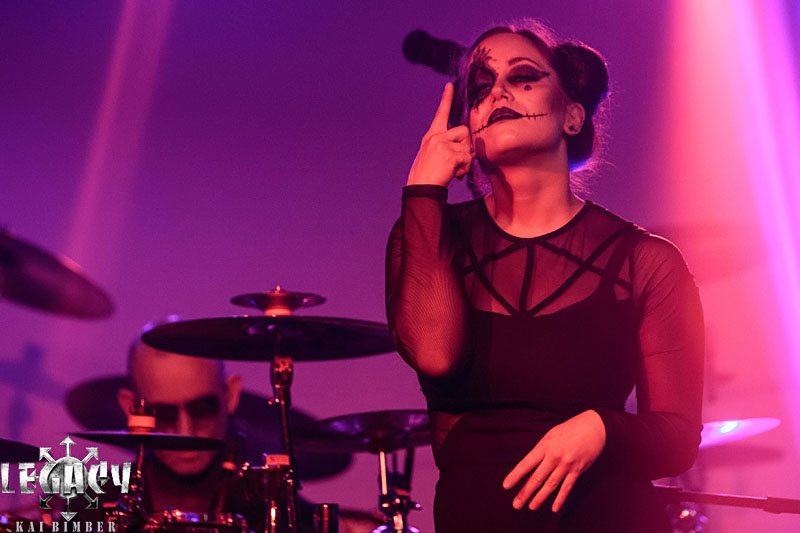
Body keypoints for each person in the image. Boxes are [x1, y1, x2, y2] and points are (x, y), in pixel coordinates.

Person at [386, 20, 704, 532]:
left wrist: (602, 430)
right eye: (480, 88)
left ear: (572, 116)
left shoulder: (645, 261)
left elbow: (678, 440)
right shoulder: (428, 234)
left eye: (523, 77)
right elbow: (434, 355)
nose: (498, 93)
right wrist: (423, 189)